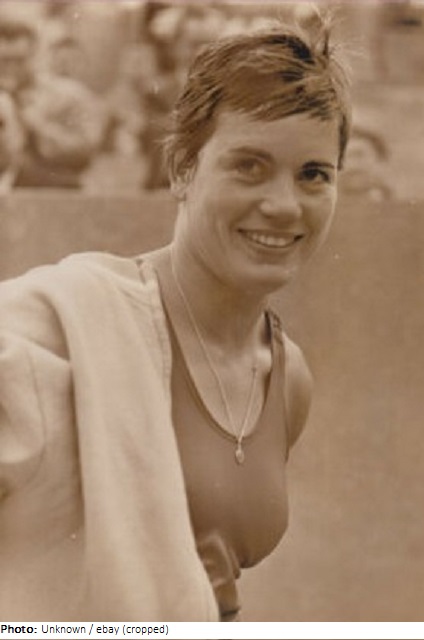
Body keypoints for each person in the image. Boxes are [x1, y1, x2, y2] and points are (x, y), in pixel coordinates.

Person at [0, 11, 352, 622]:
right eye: (248, 165)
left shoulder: (288, 377)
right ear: (181, 170)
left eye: (313, 174)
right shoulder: (67, 324)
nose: (283, 204)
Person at [0, 7, 106, 189]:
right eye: (3, 61)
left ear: (35, 55)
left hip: (50, 192)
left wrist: (35, 124)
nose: (10, 68)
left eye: (19, 60)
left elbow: (85, 150)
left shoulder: (69, 95)